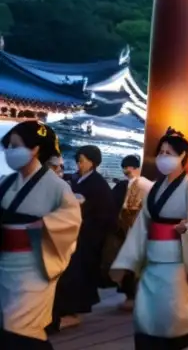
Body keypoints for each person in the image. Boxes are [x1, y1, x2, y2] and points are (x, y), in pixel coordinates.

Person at [110, 128, 188, 350]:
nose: (163, 157)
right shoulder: (155, 189)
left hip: (175, 259)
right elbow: (142, 226)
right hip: (153, 258)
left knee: (173, 310)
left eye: (169, 153)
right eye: (161, 152)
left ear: (182, 157)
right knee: (144, 309)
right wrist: (129, 261)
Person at [0, 121, 81, 350]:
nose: (9, 152)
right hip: (5, 263)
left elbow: (72, 219)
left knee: (20, 326)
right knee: (9, 326)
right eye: (8, 147)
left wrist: (45, 224)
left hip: (34, 265)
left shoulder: (57, 186)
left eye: (15, 146)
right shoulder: (6, 182)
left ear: (35, 148)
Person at [53, 144, 117, 330]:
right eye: (78, 161)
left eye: (82, 161)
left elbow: (106, 215)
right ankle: (68, 310)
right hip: (77, 234)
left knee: (79, 275)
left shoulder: (98, 184)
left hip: (88, 237)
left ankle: (74, 312)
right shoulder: (78, 180)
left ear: (93, 162)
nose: (79, 165)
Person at [108, 155, 152, 311]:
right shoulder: (123, 185)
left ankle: (136, 296)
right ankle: (130, 295)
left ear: (136, 168)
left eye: (130, 167)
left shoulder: (146, 185)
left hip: (138, 227)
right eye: (125, 167)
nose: (127, 170)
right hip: (124, 227)